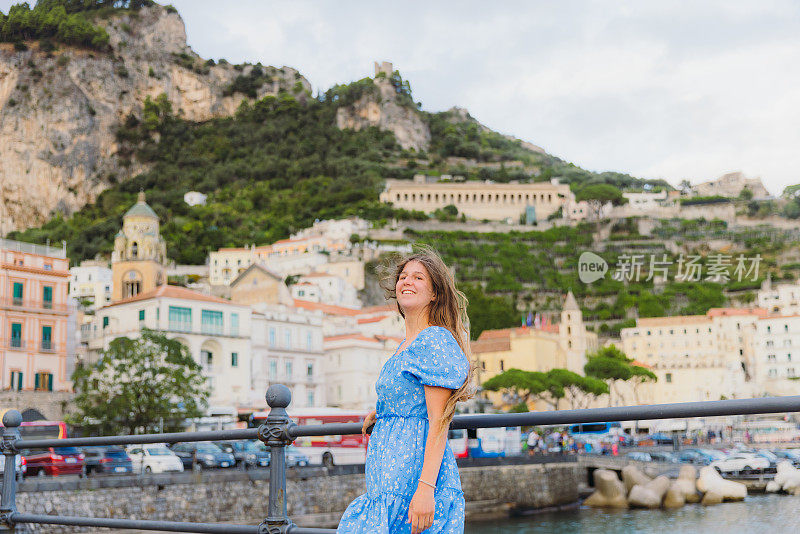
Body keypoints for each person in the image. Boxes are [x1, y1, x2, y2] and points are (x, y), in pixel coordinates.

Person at [338, 247, 474, 534]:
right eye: (403, 276)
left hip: (413, 477)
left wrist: (425, 490)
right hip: (389, 475)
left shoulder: (433, 340)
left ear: (435, 293)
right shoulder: (405, 345)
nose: (406, 281)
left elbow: (439, 420)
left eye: (418, 278)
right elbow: (412, 395)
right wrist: (384, 410)